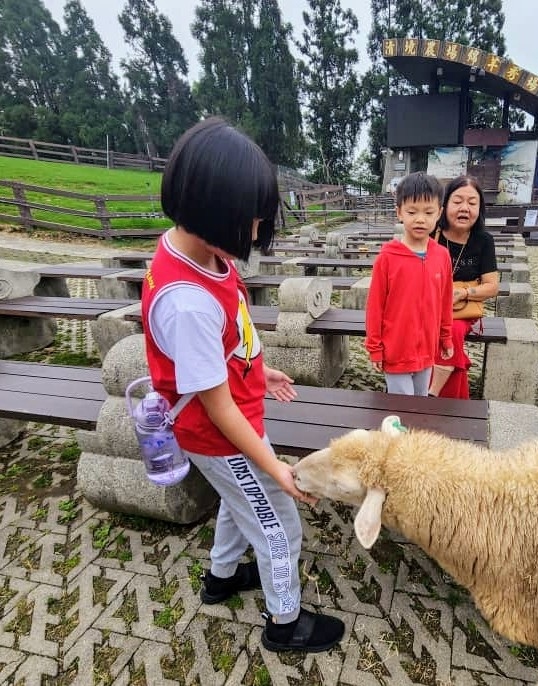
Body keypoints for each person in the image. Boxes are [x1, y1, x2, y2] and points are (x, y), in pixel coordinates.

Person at [140, 117, 345, 654]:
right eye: (250, 219)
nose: (255, 232)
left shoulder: (203, 252)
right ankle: (285, 622)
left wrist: (259, 366)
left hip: (232, 422)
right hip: (221, 435)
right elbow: (219, 408)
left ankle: (222, 577)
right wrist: (275, 466)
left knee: (240, 503)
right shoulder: (186, 302)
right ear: (211, 208)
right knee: (280, 523)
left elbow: (231, 333)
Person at [365, 172, 454, 396]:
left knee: (421, 401)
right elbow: (375, 307)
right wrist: (375, 347)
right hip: (395, 352)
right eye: (412, 212)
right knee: (402, 406)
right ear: (399, 213)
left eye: (428, 212)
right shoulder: (387, 258)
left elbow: (445, 301)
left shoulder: (441, 256)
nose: (420, 219)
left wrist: (445, 337)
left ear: (440, 213)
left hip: (427, 350)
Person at [428, 175, 500, 399]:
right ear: (445, 204)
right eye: (458, 201)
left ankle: (434, 396)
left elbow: (492, 287)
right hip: (428, 306)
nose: (464, 208)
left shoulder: (484, 240)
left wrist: (464, 293)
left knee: (452, 333)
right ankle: (451, 399)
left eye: (472, 202)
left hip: (461, 311)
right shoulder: (431, 235)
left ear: (480, 208)